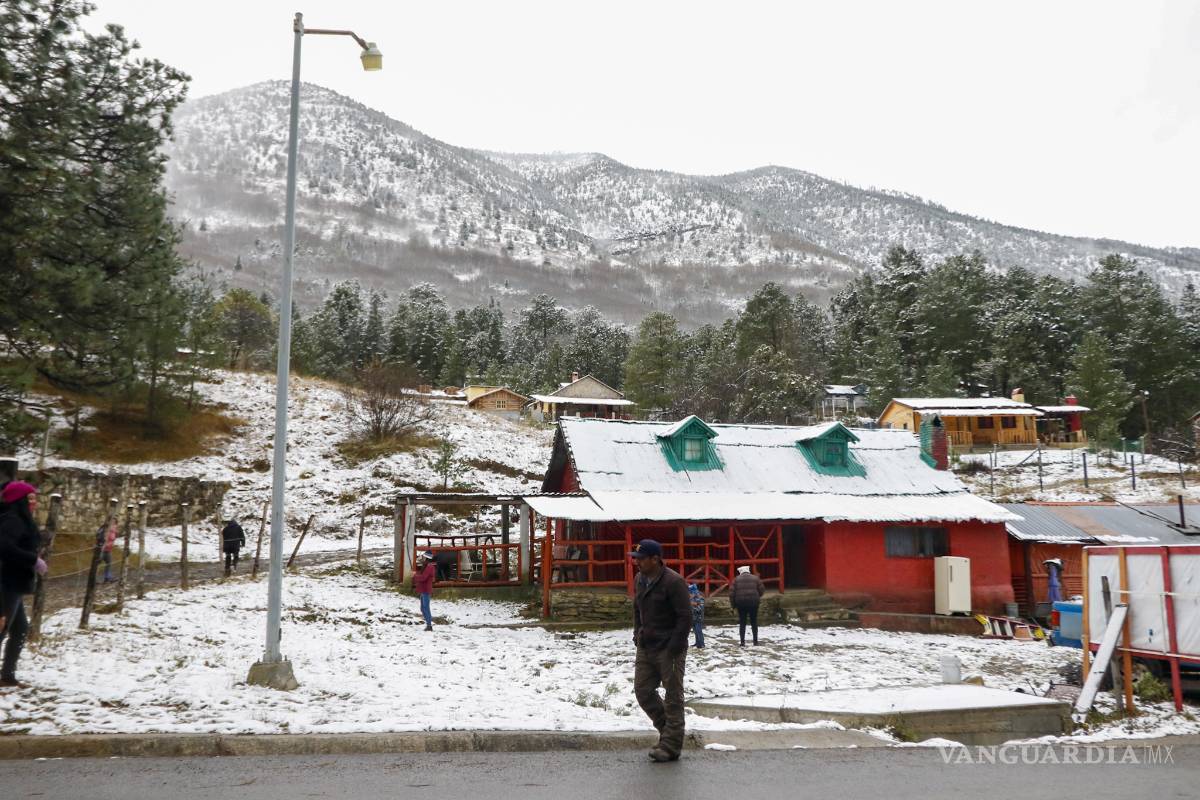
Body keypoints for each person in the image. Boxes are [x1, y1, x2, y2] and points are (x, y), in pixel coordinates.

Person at [630, 538, 691, 763]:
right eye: (635, 559)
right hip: (646, 645)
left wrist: (675, 645)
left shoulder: (674, 582)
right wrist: (638, 633)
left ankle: (670, 746)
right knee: (643, 691)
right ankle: (669, 732)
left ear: (655, 559)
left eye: (641, 559)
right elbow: (637, 609)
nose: (636, 563)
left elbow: (686, 617)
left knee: (673, 696)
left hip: (669, 647)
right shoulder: (639, 579)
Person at [0, 481, 47, 688]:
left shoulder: (21, 519)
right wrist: (32, 560)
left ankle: (7, 676)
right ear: (19, 500)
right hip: (5, 582)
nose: (34, 502)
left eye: (35, 497)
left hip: (14, 583)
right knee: (2, 629)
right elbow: (3, 547)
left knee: (19, 629)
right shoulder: (13, 520)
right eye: (30, 498)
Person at [730, 564, 765, 646]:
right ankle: (755, 642)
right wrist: (756, 596)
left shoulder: (736, 580)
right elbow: (762, 590)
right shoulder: (755, 578)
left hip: (741, 603)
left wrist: (733, 605)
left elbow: (731, 594)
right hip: (753, 603)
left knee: (742, 622)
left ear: (740, 572)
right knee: (754, 622)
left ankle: (742, 642)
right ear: (748, 571)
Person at [412, 550, 437, 631]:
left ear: (426, 558)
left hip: (426, 590)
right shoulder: (426, 566)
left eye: (423, 556)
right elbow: (422, 575)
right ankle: (428, 624)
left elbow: (423, 578)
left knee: (426, 608)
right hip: (423, 590)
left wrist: (415, 575)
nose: (422, 558)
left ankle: (429, 625)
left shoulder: (429, 567)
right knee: (423, 608)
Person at [688, 583, 705, 648]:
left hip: (699, 617)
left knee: (699, 631)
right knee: (695, 631)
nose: (690, 595)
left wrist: (692, 605)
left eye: (691, 593)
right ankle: (697, 642)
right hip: (693, 617)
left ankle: (701, 644)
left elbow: (700, 609)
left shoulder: (700, 599)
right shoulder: (691, 599)